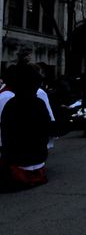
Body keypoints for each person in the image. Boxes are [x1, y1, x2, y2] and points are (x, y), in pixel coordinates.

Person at [0, 63, 53, 191]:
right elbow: (47, 128)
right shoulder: (38, 103)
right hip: (39, 157)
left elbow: (7, 136)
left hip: (19, 159)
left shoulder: (11, 104)